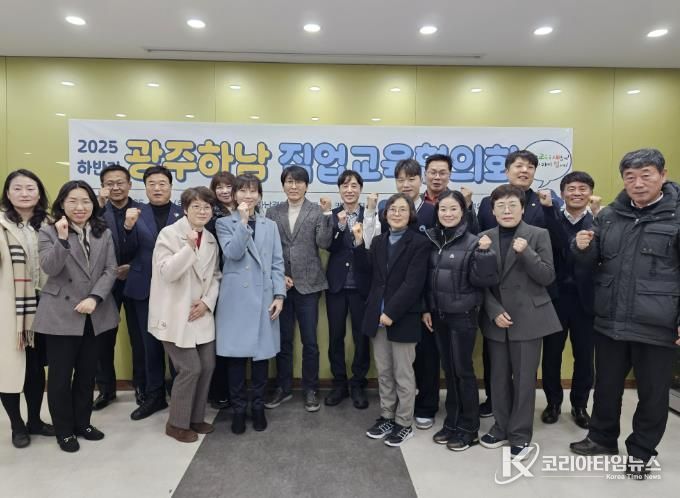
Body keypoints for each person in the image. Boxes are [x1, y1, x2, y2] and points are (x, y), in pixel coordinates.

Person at [569, 148, 680, 479]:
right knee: (606, 386)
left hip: (657, 322)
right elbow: (591, 263)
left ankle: (641, 452)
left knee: (652, 394)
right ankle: (602, 438)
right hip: (610, 319)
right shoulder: (609, 216)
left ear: (662, 175)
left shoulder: (675, 216)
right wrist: (581, 247)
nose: (638, 183)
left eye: (646, 175)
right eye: (630, 177)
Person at [32, 180, 119, 452]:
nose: (79, 207)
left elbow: (111, 269)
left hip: (95, 312)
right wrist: (61, 239)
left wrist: (95, 298)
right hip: (61, 313)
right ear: (62, 204)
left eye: (85, 201)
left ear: (93, 204)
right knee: (59, 378)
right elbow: (49, 267)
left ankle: (83, 423)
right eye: (72, 201)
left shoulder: (102, 231)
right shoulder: (48, 230)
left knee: (87, 374)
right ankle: (64, 431)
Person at [476, 150, 563, 418]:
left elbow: (548, 275)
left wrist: (526, 252)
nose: (507, 210)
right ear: (492, 210)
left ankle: (520, 433)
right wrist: (493, 310)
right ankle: (500, 425)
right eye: (501, 206)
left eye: (513, 205)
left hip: (529, 315)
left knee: (525, 381)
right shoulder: (484, 237)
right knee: (498, 378)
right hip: (496, 316)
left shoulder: (539, 232)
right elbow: (479, 281)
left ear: (523, 208)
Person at [421, 191, 498, 451]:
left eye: (453, 209)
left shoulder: (475, 241)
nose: (448, 214)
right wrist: (427, 309)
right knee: (449, 370)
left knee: (463, 371)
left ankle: (469, 427)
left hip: (463, 315)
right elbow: (427, 279)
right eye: (443, 209)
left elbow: (484, 281)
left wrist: (485, 254)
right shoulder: (433, 238)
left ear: (463, 212)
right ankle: (452, 421)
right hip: (439, 315)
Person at [148, 187, 221, 443]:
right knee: (190, 368)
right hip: (175, 314)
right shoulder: (169, 234)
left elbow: (215, 276)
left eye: (207, 207)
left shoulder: (210, 239)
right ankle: (177, 424)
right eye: (196, 206)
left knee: (207, 366)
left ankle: (195, 418)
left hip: (201, 313)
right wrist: (189, 247)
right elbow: (167, 272)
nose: (202, 211)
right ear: (186, 209)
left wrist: (207, 303)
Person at [358, 193, 430, 447]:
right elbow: (369, 274)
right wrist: (358, 244)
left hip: (403, 318)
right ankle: (387, 416)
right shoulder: (379, 241)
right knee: (385, 372)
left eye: (402, 209)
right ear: (385, 214)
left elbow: (413, 284)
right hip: (376, 318)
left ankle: (404, 422)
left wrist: (391, 313)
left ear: (411, 215)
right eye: (392, 209)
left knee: (403, 374)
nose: (396, 214)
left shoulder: (419, 243)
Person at [215, 174, 285, 434]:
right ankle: (238, 409)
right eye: (243, 191)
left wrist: (279, 295)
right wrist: (243, 221)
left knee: (261, 359)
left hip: (264, 297)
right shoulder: (224, 223)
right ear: (235, 195)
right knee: (235, 359)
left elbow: (277, 263)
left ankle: (257, 407)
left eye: (253, 191)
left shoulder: (270, 225)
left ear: (260, 195)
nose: (248, 195)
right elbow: (232, 253)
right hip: (236, 298)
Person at [264, 165, 333, 412]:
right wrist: (279, 276)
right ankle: (283, 387)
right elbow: (267, 248)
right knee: (283, 340)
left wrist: (327, 215)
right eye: (289, 182)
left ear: (306, 186)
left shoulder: (316, 211)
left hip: (309, 285)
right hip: (280, 285)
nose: (294, 186)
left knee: (310, 341)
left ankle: (310, 389)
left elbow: (324, 243)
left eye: (299, 182)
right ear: (283, 185)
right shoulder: (273, 212)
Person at [378, 159, 440, 429]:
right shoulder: (387, 212)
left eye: (411, 179)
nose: (406, 184)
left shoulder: (432, 211)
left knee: (425, 357)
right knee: (393, 365)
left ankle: (425, 406)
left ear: (421, 180)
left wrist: (426, 305)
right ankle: (394, 411)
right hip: (393, 303)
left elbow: (429, 267)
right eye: (401, 179)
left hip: (424, 296)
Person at [540, 171, 601, 428]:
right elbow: (559, 248)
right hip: (555, 298)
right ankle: (553, 403)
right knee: (551, 355)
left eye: (582, 188)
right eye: (571, 188)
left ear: (590, 193)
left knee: (585, 357)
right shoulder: (550, 217)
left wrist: (597, 218)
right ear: (562, 192)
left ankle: (580, 405)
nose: (577, 193)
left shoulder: (599, 219)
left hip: (587, 300)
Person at [122, 166, 184, 421]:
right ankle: (154, 395)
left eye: (162, 183)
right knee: (149, 346)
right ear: (145, 187)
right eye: (152, 184)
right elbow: (124, 253)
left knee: (177, 345)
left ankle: (180, 395)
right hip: (143, 289)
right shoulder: (135, 213)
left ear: (170, 186)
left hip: (177, 289)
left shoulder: (183, 213)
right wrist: (127, 229)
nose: (157, 188)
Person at [0, 169, 55, 448]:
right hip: (9, 307)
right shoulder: (1, 224)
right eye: (18, 188)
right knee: (9, 368)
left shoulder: (50, 223)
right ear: (8, 194)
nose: (24, 193)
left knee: (35, 368)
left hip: (44, 305)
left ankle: (35, 420)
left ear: (39, 193)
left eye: (30, 188)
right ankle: (16, 425)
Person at [325, 170, 379, 409]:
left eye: (354, 185)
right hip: (336, 285)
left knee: (361, 337)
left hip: (361, 286)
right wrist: (338, 226)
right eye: (345, 186)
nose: (349, 190)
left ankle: (358, 383)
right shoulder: (330, 215)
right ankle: (339, 383)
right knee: (335, 336)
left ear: (360, 189)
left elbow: (371, 246)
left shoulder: (371, 215)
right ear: (339, 190)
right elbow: (328, 245)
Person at [93, 163, 145, 410]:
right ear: (103, 187)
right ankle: (106, 390)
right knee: (104, 338)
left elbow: (151, 246)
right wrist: (98, 206)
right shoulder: (96, 213)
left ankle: (142, 387)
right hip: (105, 283)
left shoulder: (143, 211)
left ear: (129, 184)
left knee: (140, 338)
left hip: (136, 279)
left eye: (120, 182)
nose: (115, 187)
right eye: (109, 183)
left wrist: (132, 267)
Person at [205, 171, 237, 411]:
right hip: (216, 282)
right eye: (219, 187)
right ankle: (219, 391)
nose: (224, 191)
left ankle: (234, 389)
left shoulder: (249, 212)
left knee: (235, 338)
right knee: (219, 340)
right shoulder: (210, 215)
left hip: (240, 283)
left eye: (229, 187)